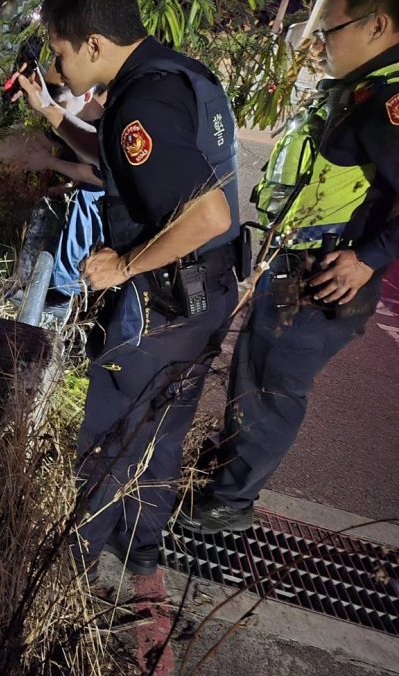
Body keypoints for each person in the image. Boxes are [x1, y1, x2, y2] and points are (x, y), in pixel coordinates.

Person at [23, 0, 241, 575]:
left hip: (164, 304)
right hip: (206, 292)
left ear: (94, 44)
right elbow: (118, 158)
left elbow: (210, 213)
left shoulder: (143, 102)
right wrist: (51, 116)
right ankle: (141, 551)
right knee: (162, 432)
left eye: (60, 51)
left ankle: (69, 568)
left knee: (107, 443)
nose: (56, 63)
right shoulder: (165, 73)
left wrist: (124, 265)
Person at [182, 0, 399, 534]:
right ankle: (227, 475)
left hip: (321, 277)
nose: (321, 42)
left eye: (332, 31)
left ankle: (231, 503)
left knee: (272, 390)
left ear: (379, 25)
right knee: (254, 375)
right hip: (297, 267)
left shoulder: (387, 100)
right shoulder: (360, 90)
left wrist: (367, 260)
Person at [0, 65, 106, 312]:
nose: (54, 109)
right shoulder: (70, 121)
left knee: (86, 198)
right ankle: (37, 284)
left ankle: (61, 293)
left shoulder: (106, 127)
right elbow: (30, 145)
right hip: (94, 200)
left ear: (87, 95)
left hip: (114, 216)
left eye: (60, 102)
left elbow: (100, 177)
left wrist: (51, 163)